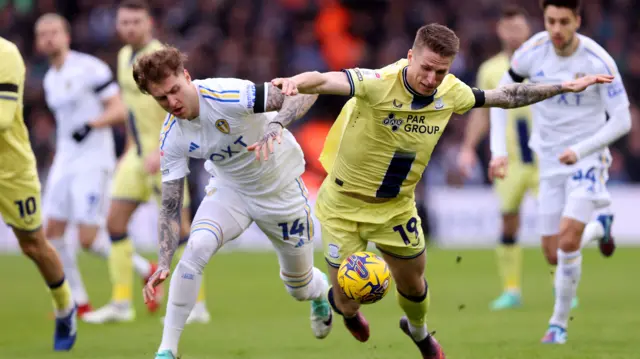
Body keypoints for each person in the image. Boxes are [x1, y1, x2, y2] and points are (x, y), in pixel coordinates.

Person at [270, 23, 612, 358]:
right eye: (427, 68)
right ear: (410, 57)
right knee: (348, 298)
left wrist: (564, 87)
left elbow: (507, 96)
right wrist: (291, 84)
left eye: (441, 71)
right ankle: (343, 311)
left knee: (414, 286)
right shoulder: (377, 83)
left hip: (396, 209)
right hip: (342, 206)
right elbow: (322, 79)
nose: (432, 79)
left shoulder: (451, 91)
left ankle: (418, 332)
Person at [135, 46, 332, 359]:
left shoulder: (229, 95)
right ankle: (167, 350)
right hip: (231, 191)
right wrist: (162, 261)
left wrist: (276, 125)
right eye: (161, 98)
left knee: (299, 288)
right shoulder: (171, 135)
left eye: (175, 90)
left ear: (187, 77)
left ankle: (319, 290)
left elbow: (307, 91)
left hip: (280, 191)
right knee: (196, 247)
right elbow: (171, 203)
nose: (172, 102)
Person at [489, 0, 631, 344]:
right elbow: (498, 96)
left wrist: (581, 150)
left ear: (577, 21)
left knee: (568, 240)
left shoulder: (598, 60)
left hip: (587, 158)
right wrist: (499, 151)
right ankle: (601, 226)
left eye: (563, 21)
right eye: (550, 20)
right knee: (553, 252)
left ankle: (558, 325)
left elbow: (623, 118)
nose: (555, 28)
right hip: (549, 161)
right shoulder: (532, 51)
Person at [83, 0, 208, 325]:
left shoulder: (161, 59)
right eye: (124, 22)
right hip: (137, 155)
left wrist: (162, 147)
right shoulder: (125, 57)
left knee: (180, 229)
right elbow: (131, 111)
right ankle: (122, 303)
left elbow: (180, 105)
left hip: (166, 154)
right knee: (114, 223)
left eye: (135, 21)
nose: (129, 28)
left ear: (148, 23)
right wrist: (129, 147)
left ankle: (197, 305)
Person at [35, 13, 155, 319]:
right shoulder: (50, 78)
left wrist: (92, 124)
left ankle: (145, 268)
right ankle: (77, 300)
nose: (49, 38)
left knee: (88, 240)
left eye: (54, 32)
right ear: (38, 41)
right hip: (65, 160)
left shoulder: (90, 68)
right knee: (52, 233)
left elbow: (119, 109)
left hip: (92, 161)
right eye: (43, 34)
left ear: (67, 36)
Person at [457, 6, 539, 310]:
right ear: (500, 31)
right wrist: (467, 147)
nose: (515, 33)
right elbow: (481, 115)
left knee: (554, 225)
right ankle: (511, 289)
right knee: (508, 221)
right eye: (509, 28)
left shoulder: (544, 64)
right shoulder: (491, 69)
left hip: (546, 158)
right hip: (510, 160)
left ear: (528, 30)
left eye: (520, 27)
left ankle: (564, 288)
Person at [0, 35, 77, 351]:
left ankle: (65, 306)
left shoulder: (5, 53)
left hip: (10, 169)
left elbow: (3, 119)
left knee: (33, 245)